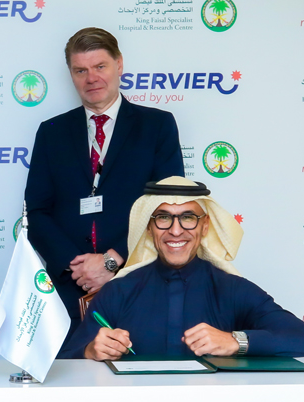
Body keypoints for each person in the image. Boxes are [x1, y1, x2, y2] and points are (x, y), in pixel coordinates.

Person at [24, 27, 184, 335]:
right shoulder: (51, 132)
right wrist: (80, 268)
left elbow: (168, 206)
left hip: (141, 282)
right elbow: (37, 212)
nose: (91, 78)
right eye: (80, 70)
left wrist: (111, 261)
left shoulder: (157, 126)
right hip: (69, 292)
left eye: (100, 66)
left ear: (119, 64)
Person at [61, 177, 304, 360]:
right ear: (150, 228)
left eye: (188, 218)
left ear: (205, 226)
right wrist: (90, 351)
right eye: (163, 218)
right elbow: (67, 360)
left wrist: (235, 341)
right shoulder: (118, 291)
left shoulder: (233, 289)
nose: (176, 231)